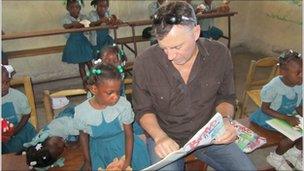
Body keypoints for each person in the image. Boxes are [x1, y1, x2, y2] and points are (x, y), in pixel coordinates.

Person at [132, 1, 255, 170]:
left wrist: (225, 120)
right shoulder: (145, 62)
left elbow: (225, 96)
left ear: (196, 32)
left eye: (176, 46)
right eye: (163, 48)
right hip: (165, 134)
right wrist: (159, 137)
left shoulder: (219, 54)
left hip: (208, 132)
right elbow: (143, 109)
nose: (169, 56)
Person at [74, 64, 150, 171]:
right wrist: (87, 161)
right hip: (100, 151)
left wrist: (127, 161)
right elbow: (83, 137)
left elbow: (128, 135)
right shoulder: (82, 111)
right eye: (110, 93)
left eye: (118, 92)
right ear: (94, 89)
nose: (115, 96)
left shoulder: (122, 105)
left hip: (125, 147)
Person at [250, 49, 302, 170]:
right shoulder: (273, 86)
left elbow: (298, 105)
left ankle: (294, 153)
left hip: (289, 116)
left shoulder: (301, 84)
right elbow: (265, 108)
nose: (302, 76)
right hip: (269, 117)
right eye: (298, 73)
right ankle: (276, 157)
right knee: (292, 136)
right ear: (283, 72)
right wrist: (287, 118)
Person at [2, 65, 36, 154]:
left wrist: (14, 131)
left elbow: (26, 114)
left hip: (19, 127)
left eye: (7, 82)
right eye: (1, 83)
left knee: (17, 146)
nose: (4, 86)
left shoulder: (18, 96)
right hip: (2, 131)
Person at [62, 0, 94, 87]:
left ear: (79, 8)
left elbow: (87, 25)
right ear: (68, 8)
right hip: (74, 43)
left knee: (90, 62)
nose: (74, 9)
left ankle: (94, 80)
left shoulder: (83, 16)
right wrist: (76, 24)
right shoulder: (66, 18)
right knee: (81, 65)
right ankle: (85, 82)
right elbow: (66, 26)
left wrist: (79, 24)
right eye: (72, 7)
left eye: (76, 7)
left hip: (83, 42)